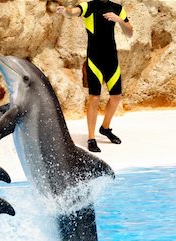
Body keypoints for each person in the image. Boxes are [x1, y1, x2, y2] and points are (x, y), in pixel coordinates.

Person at [57, 0, 133, 152]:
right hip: (95, 60)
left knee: (116, 97)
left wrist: (118, 20)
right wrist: (65, 11)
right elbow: (73, 12)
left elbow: (130, 32)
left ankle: (105, 128)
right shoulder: (89, 6)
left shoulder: (117, 8)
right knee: (94, 98)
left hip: (111, 59)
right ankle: (91, 138)